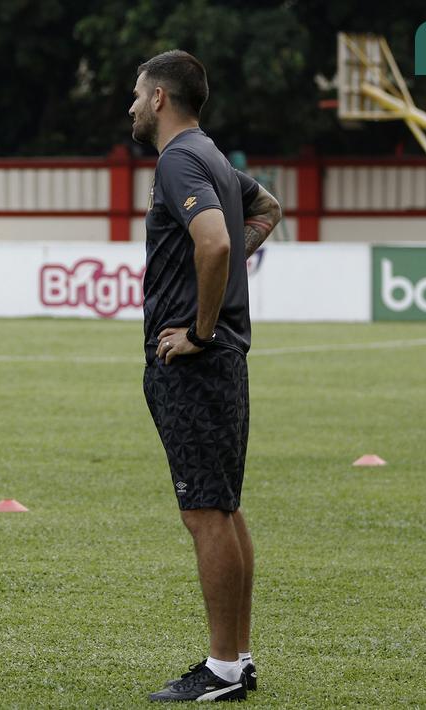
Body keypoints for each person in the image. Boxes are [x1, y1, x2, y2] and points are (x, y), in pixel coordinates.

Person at [127, 50, 281, 702]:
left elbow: (215, 242)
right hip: (219, 366)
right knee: (221, 508)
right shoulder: (215, 156)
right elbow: (267, 208)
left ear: (160, 98)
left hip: (197, 365)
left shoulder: (179, 159)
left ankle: (220, 669)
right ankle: (237, 659)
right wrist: (209, 292)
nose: (130, 106)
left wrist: (197, 328)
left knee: (205, 515)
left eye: (136, 95)